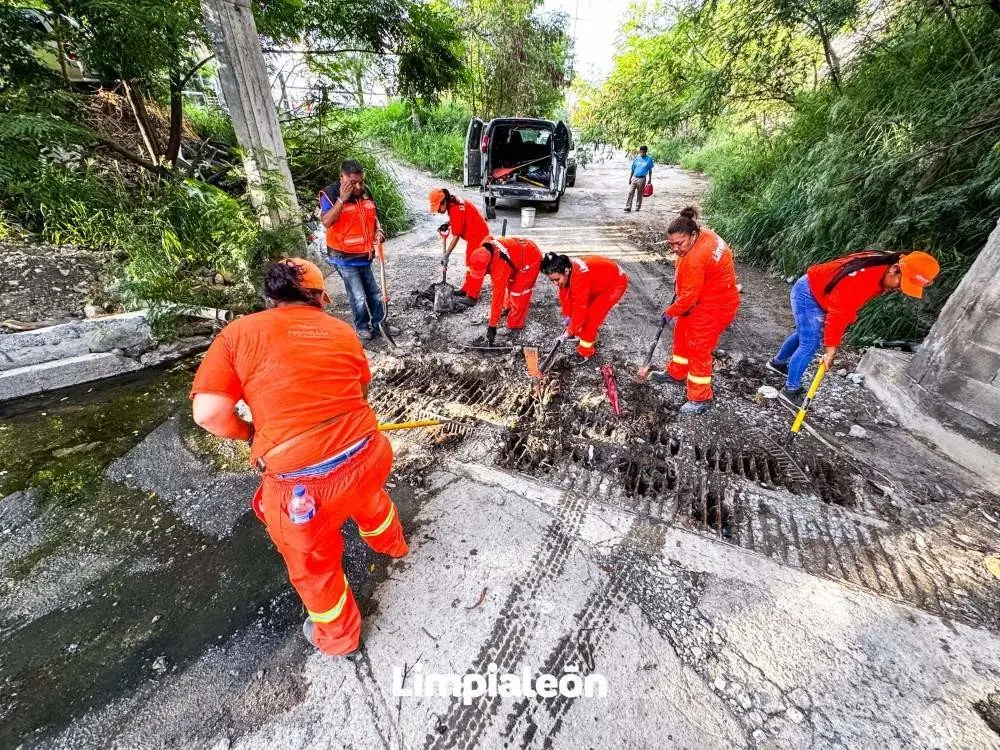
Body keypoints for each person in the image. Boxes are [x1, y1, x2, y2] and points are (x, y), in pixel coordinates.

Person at [190, 258, 408, 657]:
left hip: (304, 489)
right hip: (370, 453)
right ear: (321, 297)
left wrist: (250, 433)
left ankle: (341, 640)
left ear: (270, 297)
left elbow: (208, 415)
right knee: (371, 499)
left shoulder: (238, 333)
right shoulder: (342, 330)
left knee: (316, 567)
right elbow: (360, 391)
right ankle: (393, 546)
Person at [767, 249, 940, 406]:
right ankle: (791, 390)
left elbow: (845, 308)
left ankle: (777, 363)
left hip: (824, 292)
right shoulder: (863, 279)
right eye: (901, 284)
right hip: (810, 292)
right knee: (810, 343)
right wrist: (830, 351)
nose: (899, 290)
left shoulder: (887, 263)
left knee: (806, 334)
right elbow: (838, 315)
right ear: (895, 269)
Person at [649, 207, 741, 415]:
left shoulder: (695, 258)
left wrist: (670, 311)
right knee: (681, 332)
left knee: (698, 347)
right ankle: (677, 372)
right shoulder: (705, 235)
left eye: (679, 244)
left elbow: (688, 299)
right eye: (670, 244)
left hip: (714, 306)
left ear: (692, 235)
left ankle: (700, 397)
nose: (674, 249)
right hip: (705, 298)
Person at [319, 160, 387, 341]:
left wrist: (379, 230)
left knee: (374, 292)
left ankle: (380, 323)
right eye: (353, 183)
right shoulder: (330, 194)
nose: (358, 187)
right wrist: (342, 199)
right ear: (342, 178)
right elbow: (326, 221)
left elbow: (374, 215)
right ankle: (362, 326)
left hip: (365, 254)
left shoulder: (365, 192)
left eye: (361, 182)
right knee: (357, 295)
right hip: (344, 257)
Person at [541, 252, 629, 366]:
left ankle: (585, 352)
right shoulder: (567, 272)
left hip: (615, 283)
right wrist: (569, 317)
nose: (555, 283)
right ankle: (578, 333)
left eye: (557, 279)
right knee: (577, 311)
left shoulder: (580, 276)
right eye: (552, 280)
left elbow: (580, 311)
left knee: (591, 317)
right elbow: (566, 298)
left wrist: (569, 331)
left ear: (566, 271)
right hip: (597, 283)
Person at [462, 236, 542, 344]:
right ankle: (508, 308)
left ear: (488, 264)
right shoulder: (483, 248)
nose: (484, 274)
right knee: (510, 282)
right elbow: (489, 237)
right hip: (517, 254)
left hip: (530, 257)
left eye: (484, 272)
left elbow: (497, 296)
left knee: (518, 293)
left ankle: (515, 325)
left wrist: (492, 325)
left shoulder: (499, 266)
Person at [429, 188, 492, 310]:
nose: (438, 211)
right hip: (475, 236)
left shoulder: (456, 209)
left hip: (479, 237)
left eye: (438, 208)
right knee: (469, 264)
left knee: (475, 265)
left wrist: (447, 254)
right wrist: (448, 223)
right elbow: (459, 218)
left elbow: (456, 236)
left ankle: (472, 297)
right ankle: (466, 289)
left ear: (443, 202)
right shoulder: (453, 202)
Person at [625, 146, 654, 213]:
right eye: (641, 152)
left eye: (643, 152)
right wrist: (630, 178)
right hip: (635, 177)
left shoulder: (649, 159)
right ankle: (628, 206)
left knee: (640, 193)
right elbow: (632, 169)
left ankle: (637, 207)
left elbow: (650, 170)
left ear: (646, 152)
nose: (642, 153)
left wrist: (650, 179)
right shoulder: (637, 159)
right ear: (639, 151)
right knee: (630, 192)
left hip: (642, 178)